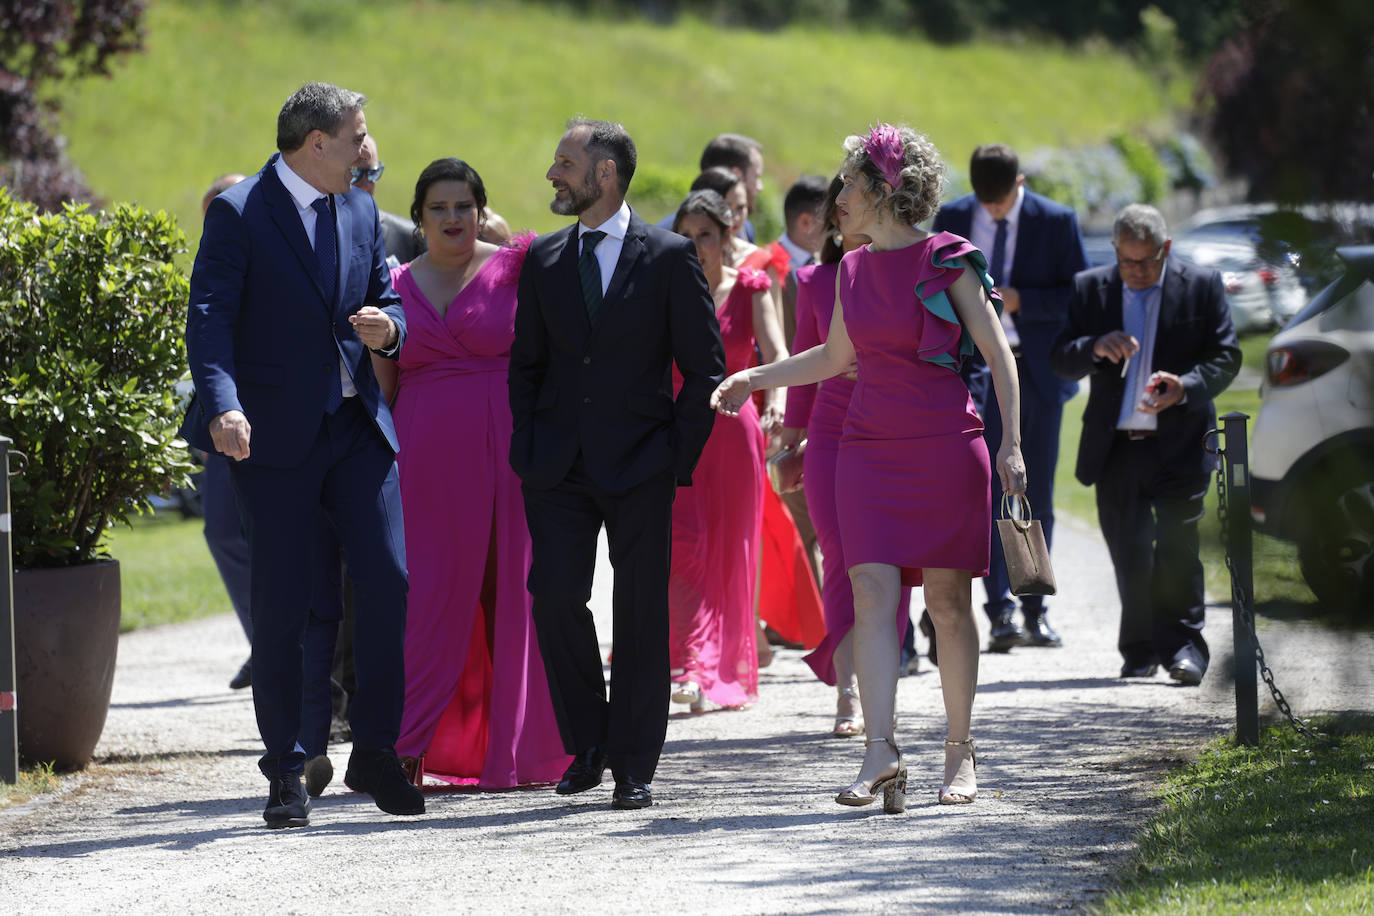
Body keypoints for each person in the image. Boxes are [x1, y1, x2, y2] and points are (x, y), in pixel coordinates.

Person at [712, 124, 1026, 813]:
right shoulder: (850, 268)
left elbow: (1000, 358)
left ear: (884, 191)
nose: (839, 197)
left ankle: (959, 749)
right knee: (874, 596)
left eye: (851, 182)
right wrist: (752, 376)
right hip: (866, 451)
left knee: (947, 603)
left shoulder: (950, 259)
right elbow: (831, 360)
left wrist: (1012, 446)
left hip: (945, 444)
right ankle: (880, 752)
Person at [182, 82, 422, 828]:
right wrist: (223, 402)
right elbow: (211, 317)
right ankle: (285, 768)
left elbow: (390, 298)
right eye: (356, 137)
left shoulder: (357, 207)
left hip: (356, 427)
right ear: (316, 143)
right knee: (285, 603)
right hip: (273, 435)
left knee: (389, 581)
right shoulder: (240, 211)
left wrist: (391, 329)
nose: (364, 150)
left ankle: (376, 752)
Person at [509, 118, 725, 810]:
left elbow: (705, 370)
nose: (553, 174)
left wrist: (673, 457)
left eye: (564, 162)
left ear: (604, 174)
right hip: (558, 468)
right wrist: (530, 447)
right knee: (554, 598)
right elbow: (527, 369)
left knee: (639, 615)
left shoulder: (667, 256)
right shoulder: (542, 261)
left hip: (641, 465)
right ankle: (589, 742)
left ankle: (634, 761)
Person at [371, 158, 569, 788]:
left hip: (513, 455)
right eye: (439, 208)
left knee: (512, 592)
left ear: (481, 210)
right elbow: (386, 385)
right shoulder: (393, 284)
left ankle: (515, 750)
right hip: (426, 462)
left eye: (464, 206)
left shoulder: (520, 268)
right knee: (430, 597)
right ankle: (409, 744)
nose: (453, 218)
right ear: (418, 216)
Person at [1050, 203, 1239, 686]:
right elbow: (1060, 359)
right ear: (1114, 250)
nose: (1135, 272)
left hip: (1180, 443)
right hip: (1116, 449)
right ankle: (1138, 650)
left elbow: (1226, 356)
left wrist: (1186, 386)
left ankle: (1184, 649)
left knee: (1178, 549)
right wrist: (1094, 346)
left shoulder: (1200, 286)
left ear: (1166, 249)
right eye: (1126, 261)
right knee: (1130, 553)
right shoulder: (1091, 287)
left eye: (1146, 262)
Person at [931, 143, 1088, 654]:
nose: (993, 212)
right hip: (972, 372)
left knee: (1033, 490)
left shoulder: (1056, 220)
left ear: (1020, 182)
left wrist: (1024, 300)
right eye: (986, 204)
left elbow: (1078, 294)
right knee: (981, 491)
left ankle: (1035, 608)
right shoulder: (952, 217)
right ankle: (997, 611)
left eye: (1000, 204)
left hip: (1034, 370)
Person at [779, 175, 914, 737]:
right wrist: (790, 439)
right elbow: (805, 370)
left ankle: (882, 683)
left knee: (894, 563)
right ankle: (848, 691)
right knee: (841, 561)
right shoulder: (813, 281)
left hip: (896, 429)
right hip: (832, 433)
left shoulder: (913, 271)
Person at [667, 190, 788, 710]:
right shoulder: (664, 292)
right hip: (680, 432)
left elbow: (777, 353)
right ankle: (688, 664)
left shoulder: (751, 286)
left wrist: (776, 403)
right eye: (688, 236)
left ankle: (717, 666)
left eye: (706, 235)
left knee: (732, 550)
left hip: (735, 431)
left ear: (726, 236)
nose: (697, 246)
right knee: (684, 546)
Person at [197, 173, 253, 691]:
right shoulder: (209, 265)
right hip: (224, 418)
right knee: (221, 529)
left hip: (279, 414)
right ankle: (262, 640)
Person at [353, 136, 513, 268]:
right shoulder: (401, 280)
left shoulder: (408, 236)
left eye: (373, 173)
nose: (452, 218)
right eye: (355, 173)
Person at [656, 133, 765, 242]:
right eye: (757, 176)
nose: (760, 187)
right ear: (736, 174)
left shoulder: (744, 229)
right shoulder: (668, 237)